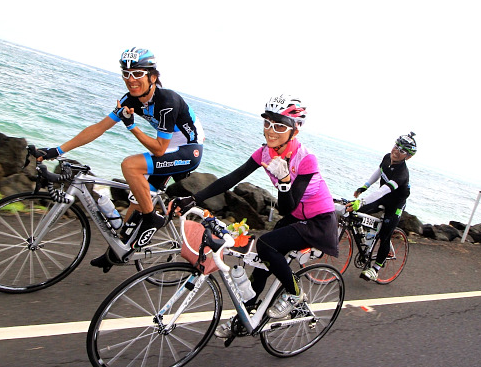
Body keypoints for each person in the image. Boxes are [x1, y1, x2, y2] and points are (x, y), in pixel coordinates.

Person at [171, 94, 338, 338]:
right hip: (295, 218)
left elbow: (287, 206)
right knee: (261, 265)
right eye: (267, 123)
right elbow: (230, 179)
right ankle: (247, 316)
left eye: (279, 125)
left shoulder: (306, 159)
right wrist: (194, 198)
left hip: (318, 221)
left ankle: (295, 293)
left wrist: (283, 182)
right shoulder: (265, 153)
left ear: (296, 129)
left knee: (266, 245)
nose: (271, 131)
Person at [37, 47, 205, 271]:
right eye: (126, 74)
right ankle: (116, 253)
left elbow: (159, 148)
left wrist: (132, 126)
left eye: (137, 74)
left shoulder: (167, 101)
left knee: (130, 166)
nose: (131, 80)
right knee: (133, 210)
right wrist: (57, 151)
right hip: (167, 151)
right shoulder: (131, 100)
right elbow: (98, 128)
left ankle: (152, 219)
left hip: (188, 149)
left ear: (152, 77)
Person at [347, 132, 416, 281]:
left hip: (395, 205)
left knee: (385, 234)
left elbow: (383, 190)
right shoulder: (387, 157)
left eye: (402, 150)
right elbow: (379, 172)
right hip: (383, 198)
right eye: (396, 146)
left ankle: (377, 267)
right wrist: (364, 187)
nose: (396, 151)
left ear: (408, 157)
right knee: (355, 212)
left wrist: (362, 201)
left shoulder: (402, 174)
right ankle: (367, 239)